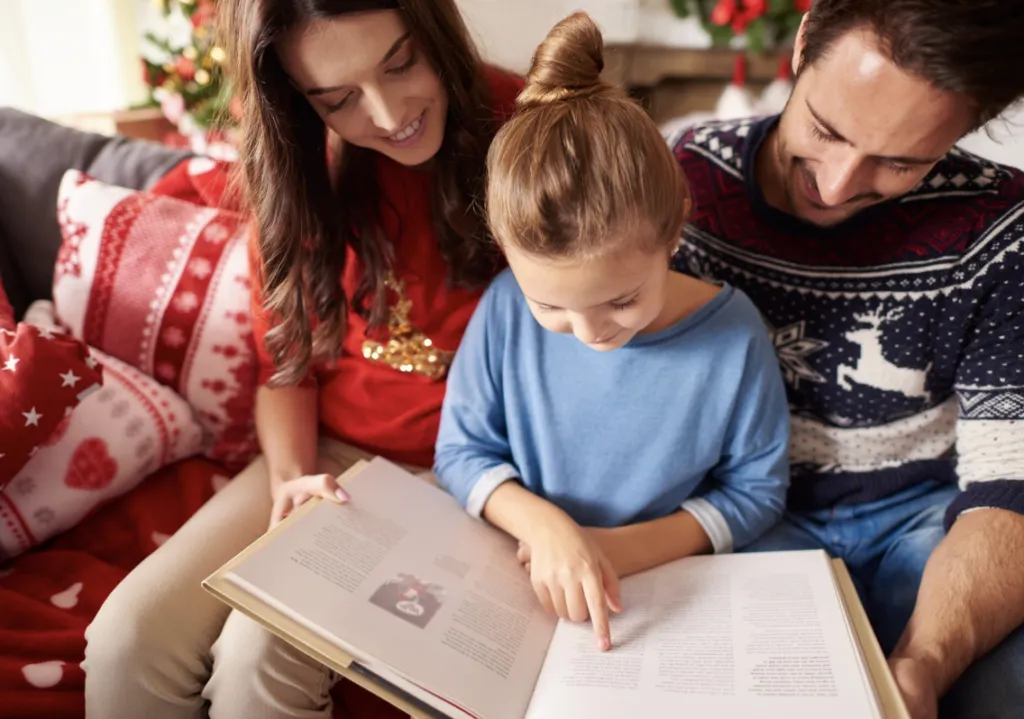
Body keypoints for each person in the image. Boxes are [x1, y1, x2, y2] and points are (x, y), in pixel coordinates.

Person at [82, 1, 522, 717]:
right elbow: (285, 366)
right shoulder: (301, 166)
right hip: (331, 453)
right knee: (126, 640)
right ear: (300, 101)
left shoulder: (526, 121)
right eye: (339, 98)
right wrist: (293, 485)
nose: (387, 113)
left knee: (259, 657)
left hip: (472, 472)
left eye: (401, 61)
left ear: (435, 28)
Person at [668, 1, 1024, 717]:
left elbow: (1008, 483)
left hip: (931, 516)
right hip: (748, 514)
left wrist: (923, 661)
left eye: (899, 163)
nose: (834, 186)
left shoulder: (1001, 228)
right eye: (825, 130)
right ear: (804, 40)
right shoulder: (683, 184)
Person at [434, 12, 790, 653]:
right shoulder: (505, 308)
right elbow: (461, 454)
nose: (591, 332)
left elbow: (757, 491)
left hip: (662, 598)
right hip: (519, 586)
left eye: (621, 300)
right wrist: (547, 529)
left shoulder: (734, 336)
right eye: (553, 307)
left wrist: (613, 551)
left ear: (674, 227)